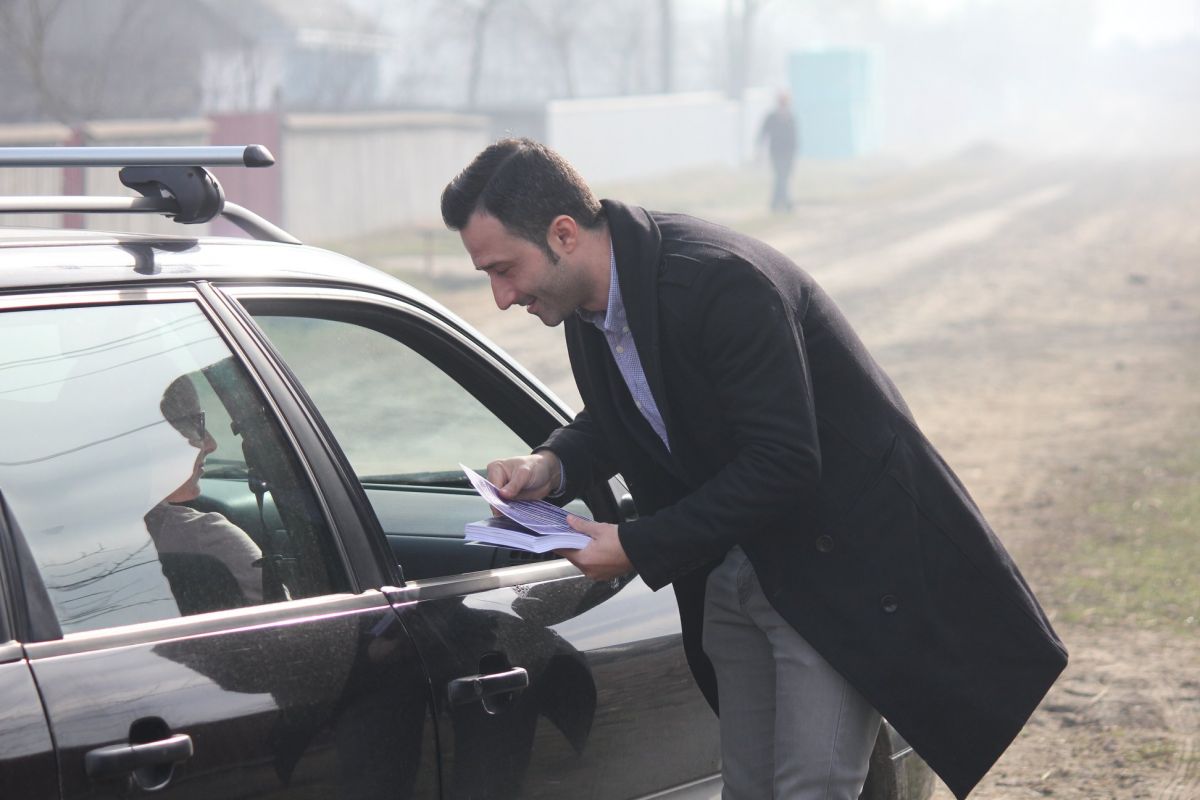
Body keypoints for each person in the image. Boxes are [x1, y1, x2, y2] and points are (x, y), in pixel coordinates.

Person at [439, 138, 1067, 800]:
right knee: (751, 788)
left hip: (834, 570)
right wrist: (551, 463)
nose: (501, 297)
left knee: (811, 787)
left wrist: (636, 544)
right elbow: (635, 407)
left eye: (504, 269)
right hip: (733, 565)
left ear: (563, 234)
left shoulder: (721, 283)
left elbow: (785, 461)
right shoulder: (583, 299)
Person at [147, 373, 263, 606]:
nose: (211, 444)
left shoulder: (75, 543)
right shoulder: (210, 541)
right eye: (195, 422)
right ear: (150, 440)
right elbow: (292, 623)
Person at [759, 91, 799, 212]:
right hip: (776, 153)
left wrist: (794, 151)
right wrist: (759, 148)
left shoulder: (790, 117)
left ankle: (775, 204)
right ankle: (787, 203)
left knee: (782, 178)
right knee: (781, 177)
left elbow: (794, 136)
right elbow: (763, 132)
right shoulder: (772, 117)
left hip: (788, 153)